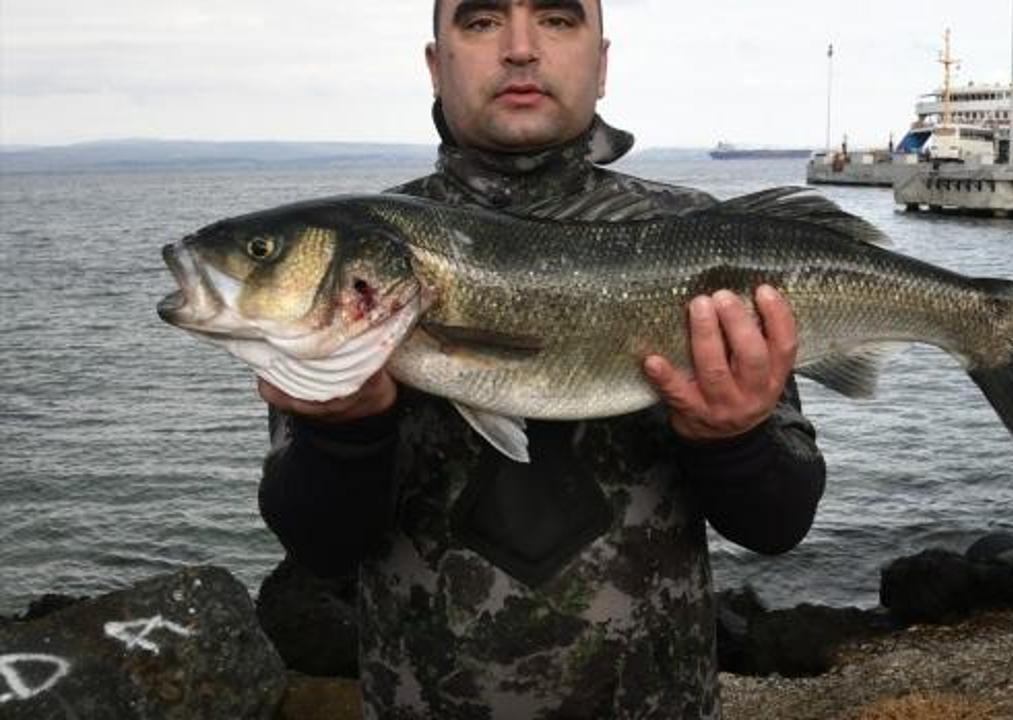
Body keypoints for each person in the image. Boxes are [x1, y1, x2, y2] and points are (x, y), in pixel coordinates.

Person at [257, 1, 826, 717]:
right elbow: (320, 547)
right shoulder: (362, 259)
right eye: (481, 21)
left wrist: (735, 441)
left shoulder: (711, 245)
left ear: (603, 62)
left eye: (557, 19)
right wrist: (344, 435)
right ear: (436, 65)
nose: (521, 49)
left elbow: (779, 525)